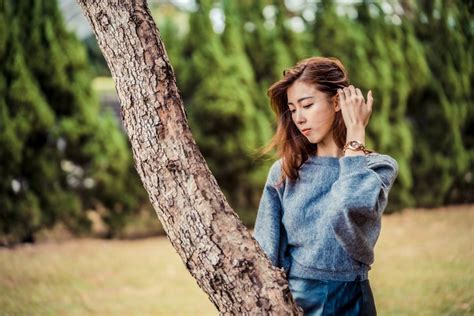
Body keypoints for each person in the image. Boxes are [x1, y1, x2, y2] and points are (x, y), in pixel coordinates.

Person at [253, 56, 399, 315]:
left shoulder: (378, 167)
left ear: (336, 102)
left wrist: (355, 136)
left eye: (307, 105)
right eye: (293, 109)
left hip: (352, 302)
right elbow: (266, 250)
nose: (299, 117)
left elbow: (346, 206)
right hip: (295, 302)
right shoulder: (285, 170)